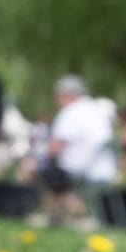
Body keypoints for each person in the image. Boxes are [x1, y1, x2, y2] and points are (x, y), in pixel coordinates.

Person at [47, 75, 117, 219]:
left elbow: (54, 148)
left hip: (79, 170)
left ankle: (67, 213)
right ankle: (72, 210)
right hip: (106, 169)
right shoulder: (96, 109)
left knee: (41, 168)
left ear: (67, 95)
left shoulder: (70, 112)